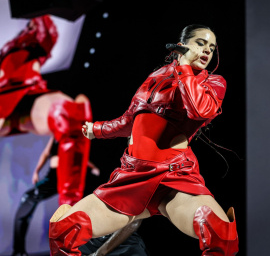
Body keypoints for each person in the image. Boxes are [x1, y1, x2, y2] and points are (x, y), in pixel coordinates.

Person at [48, 24, 239, 256]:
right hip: (131, 177)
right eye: (200, 43)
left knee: (221, 237)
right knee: (63, 232)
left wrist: (185, 68)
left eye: (211, 47)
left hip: (175, 178)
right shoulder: (156, 75)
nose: (208, 51)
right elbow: (130, 119)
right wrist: (97, 130)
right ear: (182, 44)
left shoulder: (214, 82)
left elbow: (199, 110)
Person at [0, 15, 92, 206]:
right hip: (4, 97)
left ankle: (69, 213)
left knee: (71, 114)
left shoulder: (36, 36)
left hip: (28, 91)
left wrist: (37, 11)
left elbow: (49, 33)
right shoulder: (11, 44)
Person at [11, 134, 100, 256]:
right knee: (27, 198)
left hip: (70, 176)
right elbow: (46, 153)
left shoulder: (76, 134)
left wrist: (93, 167)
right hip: (53, 177)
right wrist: (36, 171)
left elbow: (82, 155)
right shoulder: (56, 135)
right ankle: (18, 251)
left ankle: (83, 249)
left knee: (79, 210)